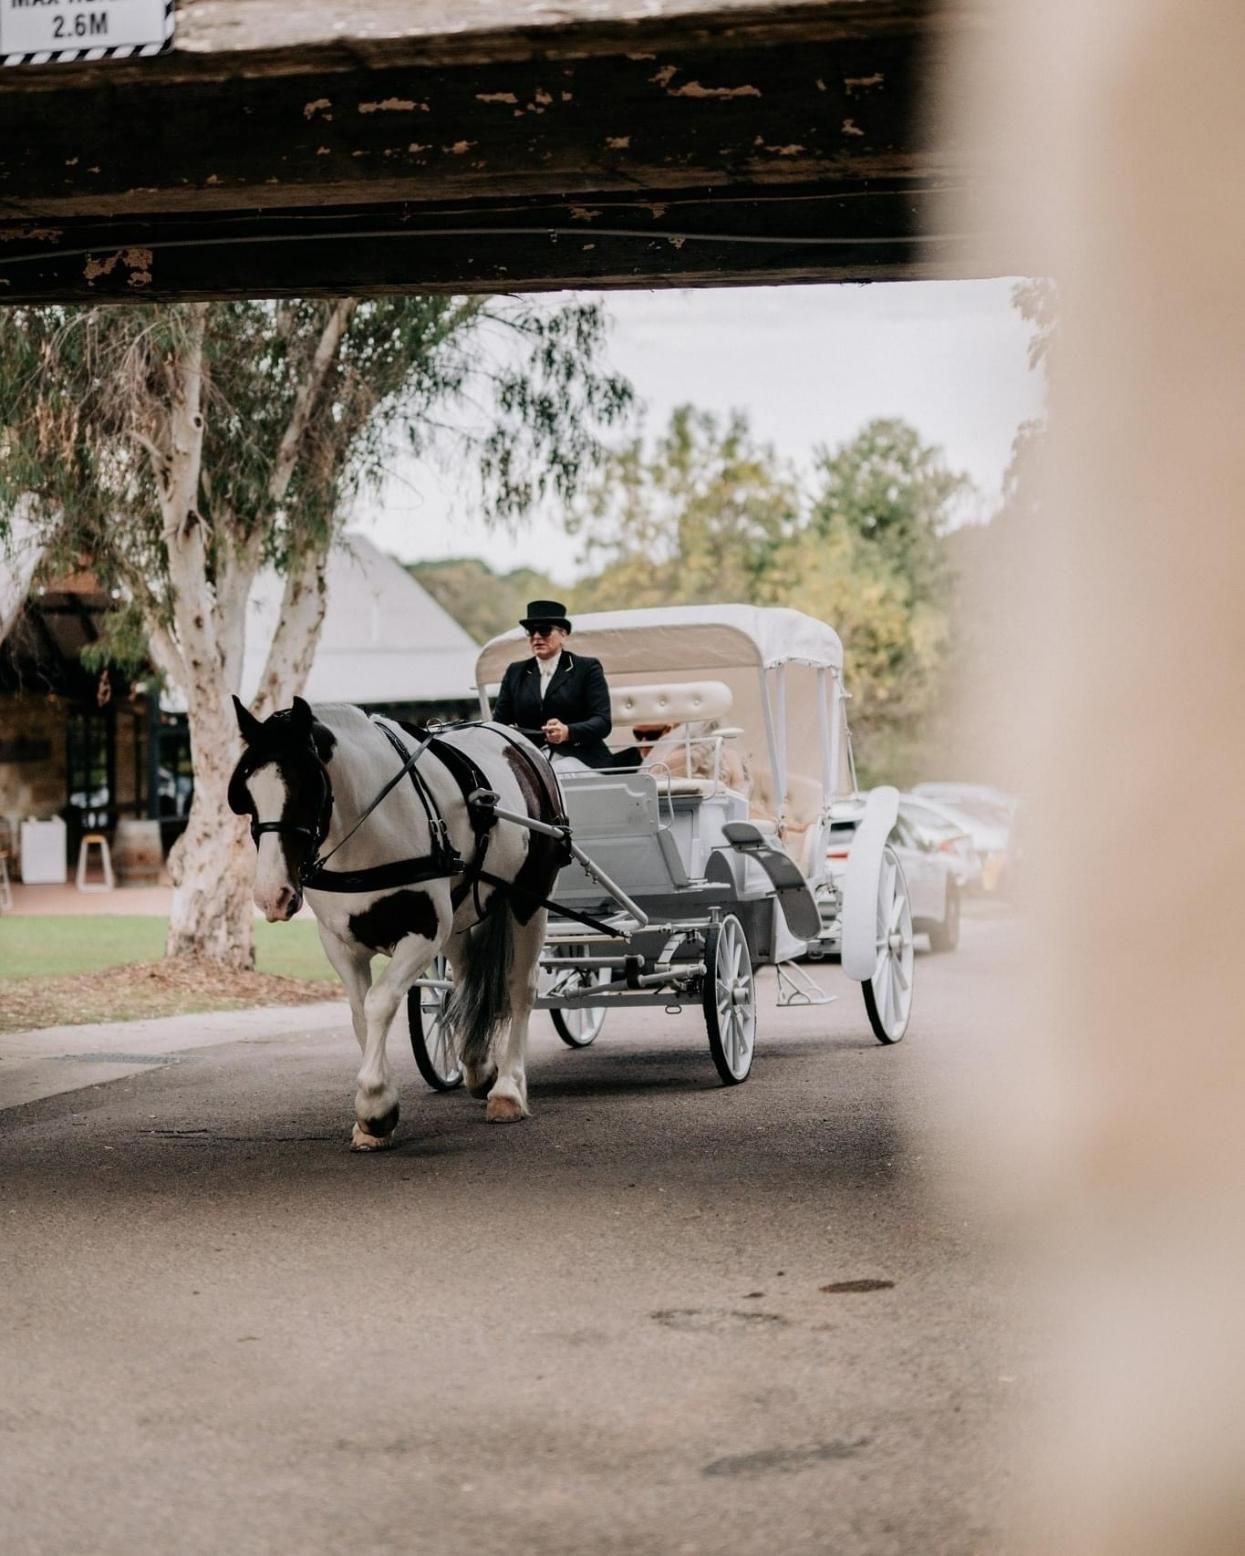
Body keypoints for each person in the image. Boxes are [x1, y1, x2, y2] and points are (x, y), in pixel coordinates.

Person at [492, 600, 614, 771]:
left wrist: (567, 732)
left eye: (544, 630)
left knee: (558, 772)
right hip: (532, 759)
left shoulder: (586, 668)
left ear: (563, 634)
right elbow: (500, 724)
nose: (536, 637)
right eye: (531, 631)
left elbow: (602, 722)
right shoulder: (515, 672)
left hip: (580, 757)